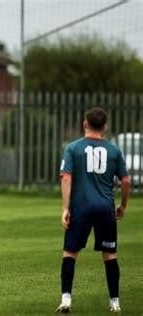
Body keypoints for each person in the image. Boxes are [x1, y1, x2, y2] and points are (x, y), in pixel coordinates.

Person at [56, 107, 130, 313]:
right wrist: (122, 206)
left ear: (85, 124)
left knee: (70, 252)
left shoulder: (73, 148)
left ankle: (66, 299)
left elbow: (67, 178)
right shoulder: (114, 151)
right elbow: (125, 180)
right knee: (110, 254)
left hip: (80, 208)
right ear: (105, 127)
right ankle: (115, 302)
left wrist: (65, 208)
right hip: (105, 208)